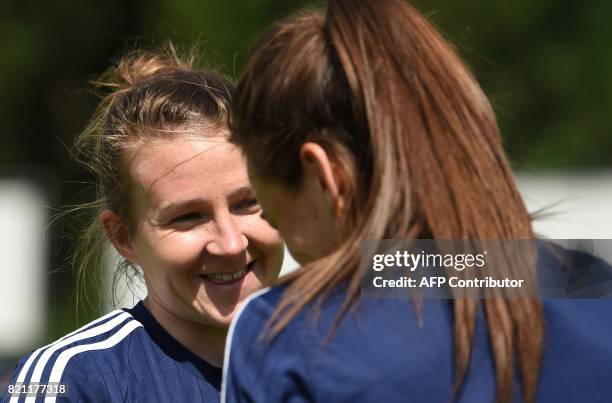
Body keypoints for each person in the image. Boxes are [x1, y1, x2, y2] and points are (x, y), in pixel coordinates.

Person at [221, 1, 612, 402]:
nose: (267, 220)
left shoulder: (283, 334)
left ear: (324, 176)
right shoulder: (590, 282)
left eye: (268, 207)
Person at [2, 44, 284, 403]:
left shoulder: (344, 361)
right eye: (188, 217)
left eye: (249, 203)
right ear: (124, 238)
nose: (230, 244)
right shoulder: (73, 381)